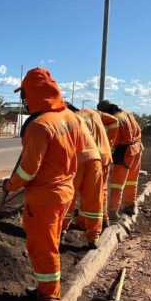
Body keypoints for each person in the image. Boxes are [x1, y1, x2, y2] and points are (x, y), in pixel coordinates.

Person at [4, 68, 85, 301]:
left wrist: (10, 185)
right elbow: (79, 150)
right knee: (51, 244)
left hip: (44, 198)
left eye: (25, 94)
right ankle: (45, 290)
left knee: (43, 248)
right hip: (65, 192)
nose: (24, 100)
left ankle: (48, 300)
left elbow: (28, 171)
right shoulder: (71, 118)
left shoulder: (39, 126)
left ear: (33, 94)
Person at [61, 104, 106, 249]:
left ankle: (61, 232)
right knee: (94, 200)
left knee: (68, 198)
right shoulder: (81, 120)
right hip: (95, 159)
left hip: (76, 161)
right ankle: (93, 238)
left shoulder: (62, 119)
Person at [96, 100, 143, 220]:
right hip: (137, 148)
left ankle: (112, 211)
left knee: (116, 183)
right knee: (132, 180)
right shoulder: (127, 113)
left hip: (124, 152)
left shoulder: (115, 120)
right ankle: (130, 205)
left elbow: (113, 142)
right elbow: (137, 130)